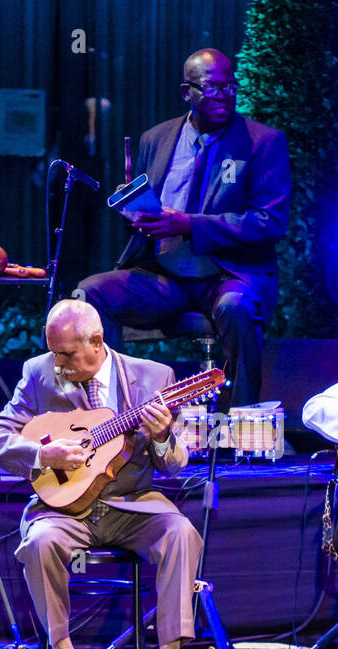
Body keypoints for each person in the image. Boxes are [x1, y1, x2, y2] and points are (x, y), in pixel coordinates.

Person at [0, 299, 203, 649]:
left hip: (132, 503)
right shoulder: (38, 374)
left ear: (96, 341)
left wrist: (163, 435)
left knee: (182, 532)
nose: (59, 364)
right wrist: (40, 454)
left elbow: (174, 466)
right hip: (62, 507)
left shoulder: (153, 377)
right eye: (54, 353)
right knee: (40, 542)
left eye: (66, 354)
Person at [75, 48, 290, 409]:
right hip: (164, 276)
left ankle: (241, 422)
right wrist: (134, 211)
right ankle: (110, 414)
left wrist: (189, 224)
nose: (223, 96)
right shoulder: (155, 139)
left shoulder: (263, 142)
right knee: (89, 295)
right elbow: (151, 217)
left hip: (226, 275)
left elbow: (269, 221)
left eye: (229, 87)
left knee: (237, 308)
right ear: (185, 92)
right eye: (211, 88)